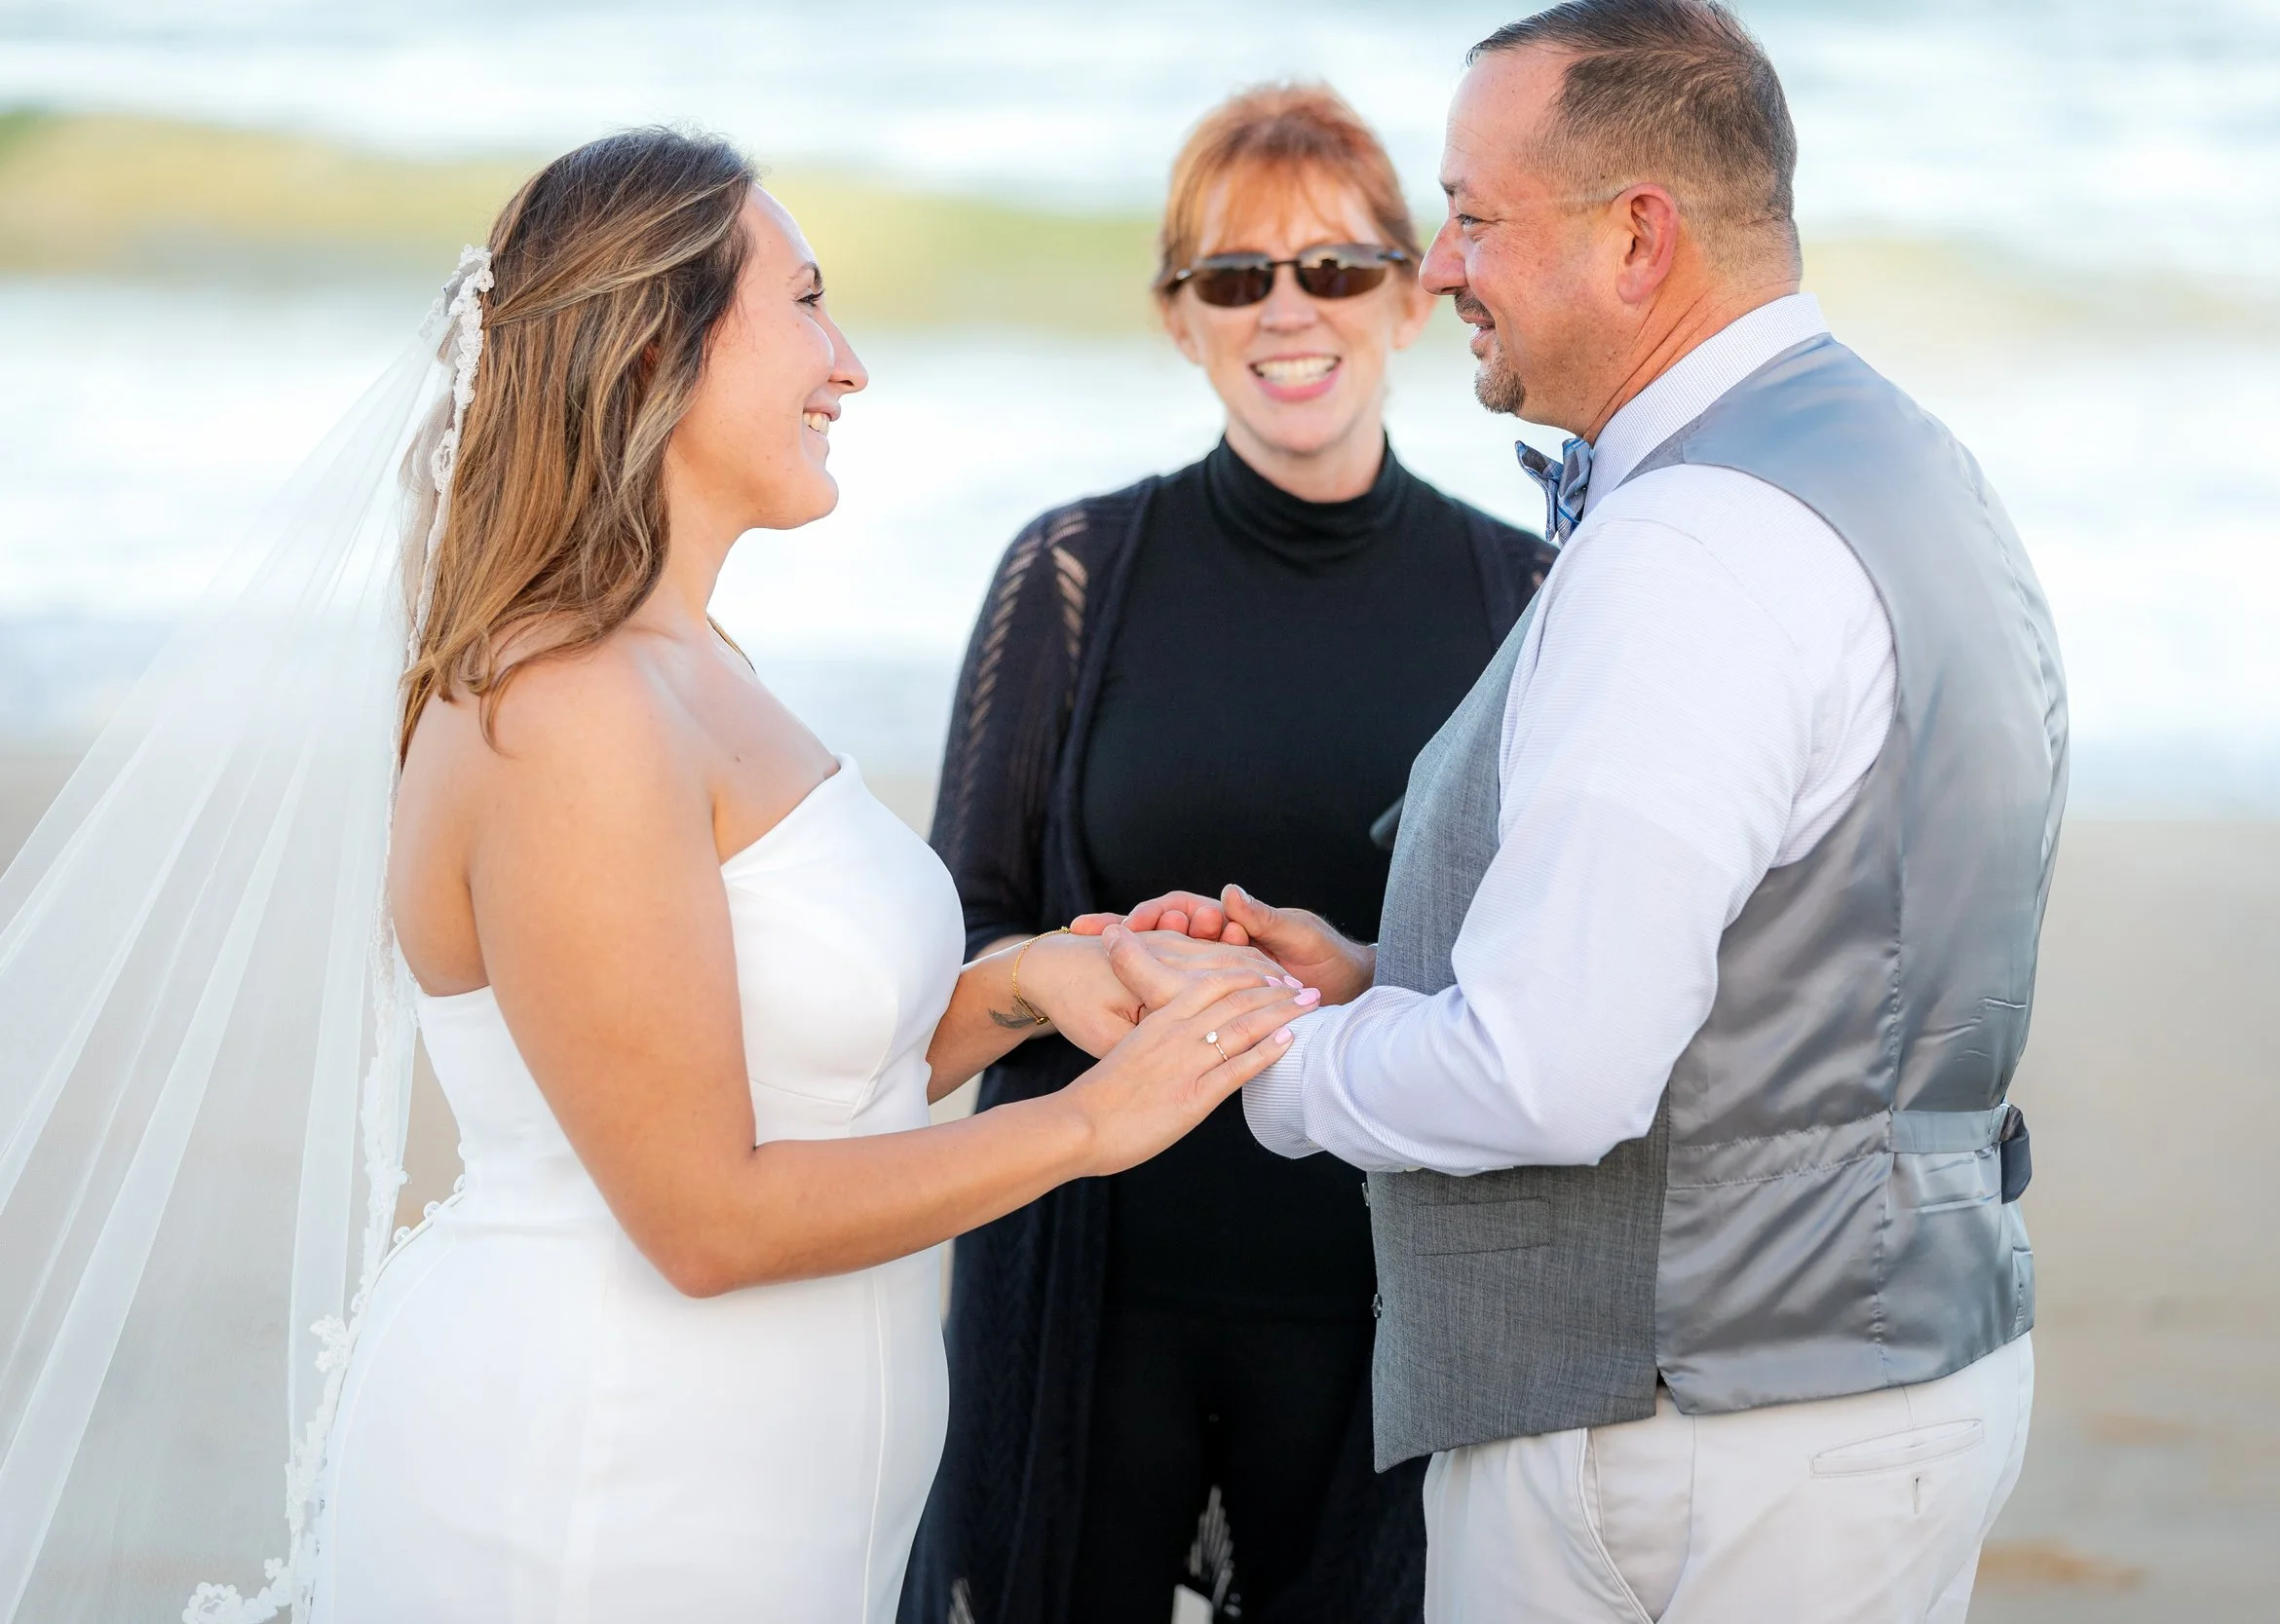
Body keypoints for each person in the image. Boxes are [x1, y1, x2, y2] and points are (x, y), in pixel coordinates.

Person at [0, 130, 1309, 1624]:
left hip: (763, 1498)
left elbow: (785, 1062)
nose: (850, 362)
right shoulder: (563, 709)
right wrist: (1088, 1128)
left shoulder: (693, 665)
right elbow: (703, 1214)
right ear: (657, 350)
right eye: (807, 301)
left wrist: (1020, 991)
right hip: (595, 1493)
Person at [1091, 4, 2069, 1621]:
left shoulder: (1688, 549)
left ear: (1637, 237)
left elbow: (1556, 1072)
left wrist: (1263, 1053)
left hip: (1694, 1438)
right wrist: (1377, 974)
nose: (1447, 264)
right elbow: (1807, 940)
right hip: (1887, 1378)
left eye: (1474, 215)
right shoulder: (1908, 467)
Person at [906, 86, 1551, 1624]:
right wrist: (1077, 974)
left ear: (1413, 293)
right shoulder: (1071, 577)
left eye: (1333, 268)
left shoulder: (1527, 595)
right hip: (1088, 1283)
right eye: (1233, 275)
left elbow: (1550, 981)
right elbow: (958, 952)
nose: (1286, 310)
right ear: (1179, 319)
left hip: (1381, 1302)